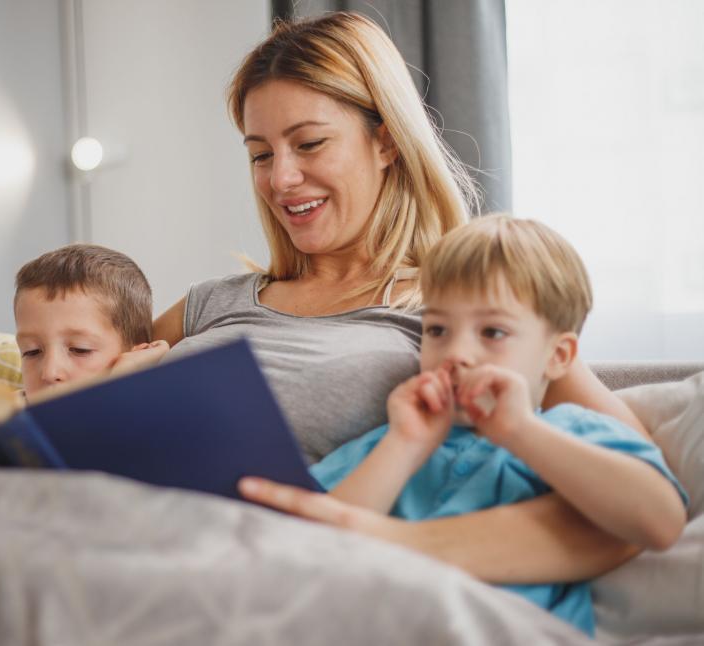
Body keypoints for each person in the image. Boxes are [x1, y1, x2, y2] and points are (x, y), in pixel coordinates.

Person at [155, 12, 654, 585]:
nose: (281, 179)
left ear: (386, 140)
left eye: (309, 144)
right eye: (261, 154)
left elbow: (634, 497)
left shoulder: (459, 315)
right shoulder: (209, 303)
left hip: (279, 573)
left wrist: (394, 544)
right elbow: (70, 389)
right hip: (142, 540)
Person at [302, 215, 687, 634]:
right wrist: (403, 445)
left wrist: (521, 431)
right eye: (438, 329)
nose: (457, 352)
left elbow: (661, 521)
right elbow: (309, 545)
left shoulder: (572, 431)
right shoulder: (392, 440)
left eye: (492, 332)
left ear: (558, 356)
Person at [14, 244, 168, 396]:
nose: (49, 372)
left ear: (139, 358)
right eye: (31, 352)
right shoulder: (10, 412)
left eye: (80, 349)